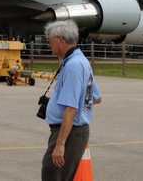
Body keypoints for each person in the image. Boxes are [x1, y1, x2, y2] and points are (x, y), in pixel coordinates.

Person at [41, 20, 101, 181]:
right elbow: (96, 96)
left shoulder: (73, 65)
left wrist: (60, 144)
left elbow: (71, 108)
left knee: (53, 174)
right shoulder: (80, 61)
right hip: (73, 131)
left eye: (50, 40)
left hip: (69, 132)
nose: (49, 44)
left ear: (60, 40)